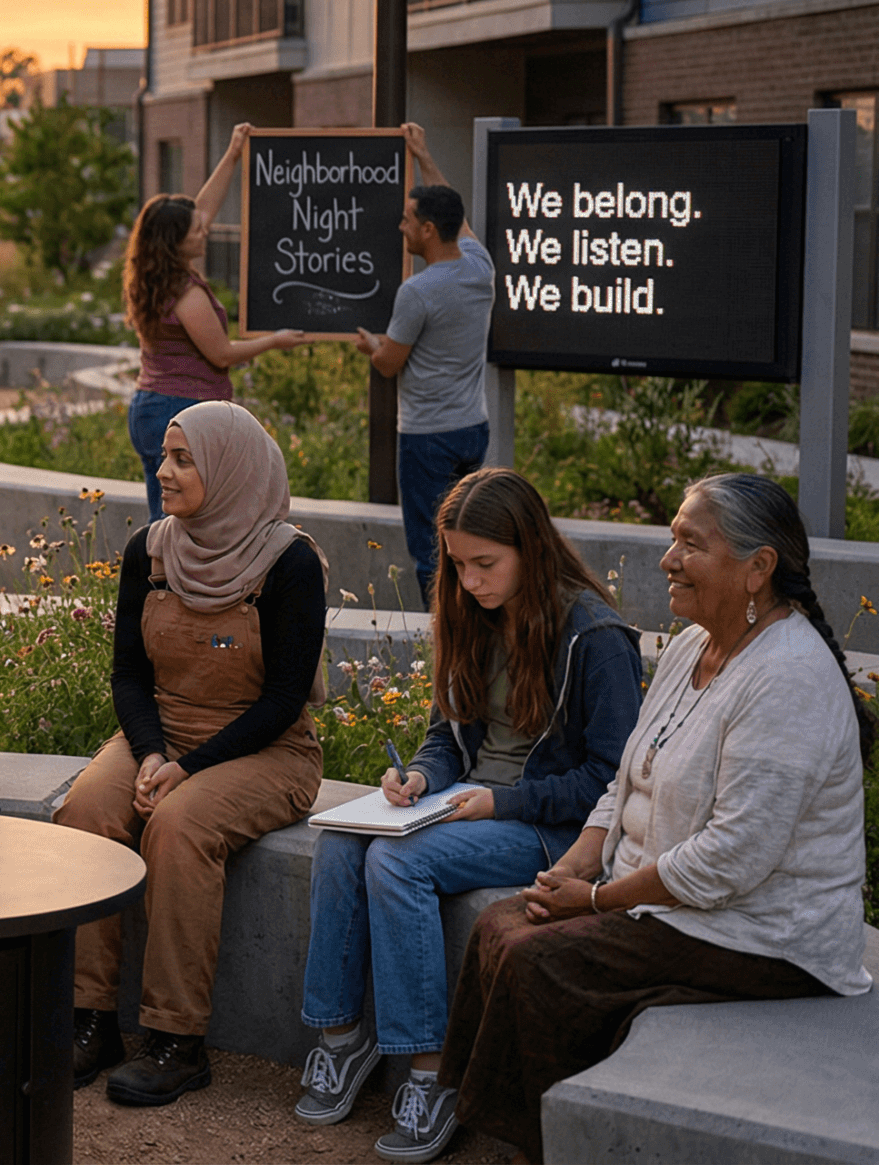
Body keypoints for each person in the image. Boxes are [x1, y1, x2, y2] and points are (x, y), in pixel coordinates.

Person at [434, 473, 873, 1164]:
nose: (667, 559)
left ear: (758, 568)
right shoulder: (694, 648)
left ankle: (540, 1145)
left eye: (690, 544)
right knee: (501, 924)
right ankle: (518, 1129)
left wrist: (601, 898)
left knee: (536, 959)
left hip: (764, 937)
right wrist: (579, 862)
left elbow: (730, 860)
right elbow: (627, 776)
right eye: (671, 538)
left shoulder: (788, 678)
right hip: (671, 906)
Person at [293, 468, 642, 1160]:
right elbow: (445, 735)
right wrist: (418, 775)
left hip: (548, 828)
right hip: (465, 806)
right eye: (458, 564)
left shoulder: (594, 637)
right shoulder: (471, 615)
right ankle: (342, 1040)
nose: (471, 580)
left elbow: (611, 780)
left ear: (530, 549)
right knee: (340, 842)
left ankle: (434, 1076)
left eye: (487, 564)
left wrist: (501, 801)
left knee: (395, 860)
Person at [64, 400, 326, 1108]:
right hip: (163, 735)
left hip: (266, 747)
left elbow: (282, 702)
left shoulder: (289, 563)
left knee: (179, 827)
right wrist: (150, 754)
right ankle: (91, 1020)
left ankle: (178, 1040)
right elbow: (128, 675)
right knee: (84, 809)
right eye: (165, 456)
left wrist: (186, 769)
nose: (165, 469)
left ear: (231, 469)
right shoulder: (149, 550)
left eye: (184, 459)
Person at [122, 123, 306, 521]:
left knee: (167, 512)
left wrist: (234, 151)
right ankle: (169, 583)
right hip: (181, 409)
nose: (205, 229)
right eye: (197, 230)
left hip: (153, 405)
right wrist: (275, 341)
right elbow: (221, 354)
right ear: (176, 241)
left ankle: (164, 582)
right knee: (183, 520)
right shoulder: (186, 294)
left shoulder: (155, 277)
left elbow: (199, 210)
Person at [353, 123, 491, 602]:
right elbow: (455, 207)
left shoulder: (417, 292)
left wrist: (370, 345)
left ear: (428, 230)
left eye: (408, 220)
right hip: (473, 426)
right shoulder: (479, 264)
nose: (401, 227)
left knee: (432, 549)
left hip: (427, 436)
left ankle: (442, 632)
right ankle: (474, 618)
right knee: (472, 537)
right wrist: (424, 155)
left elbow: (389, 364)